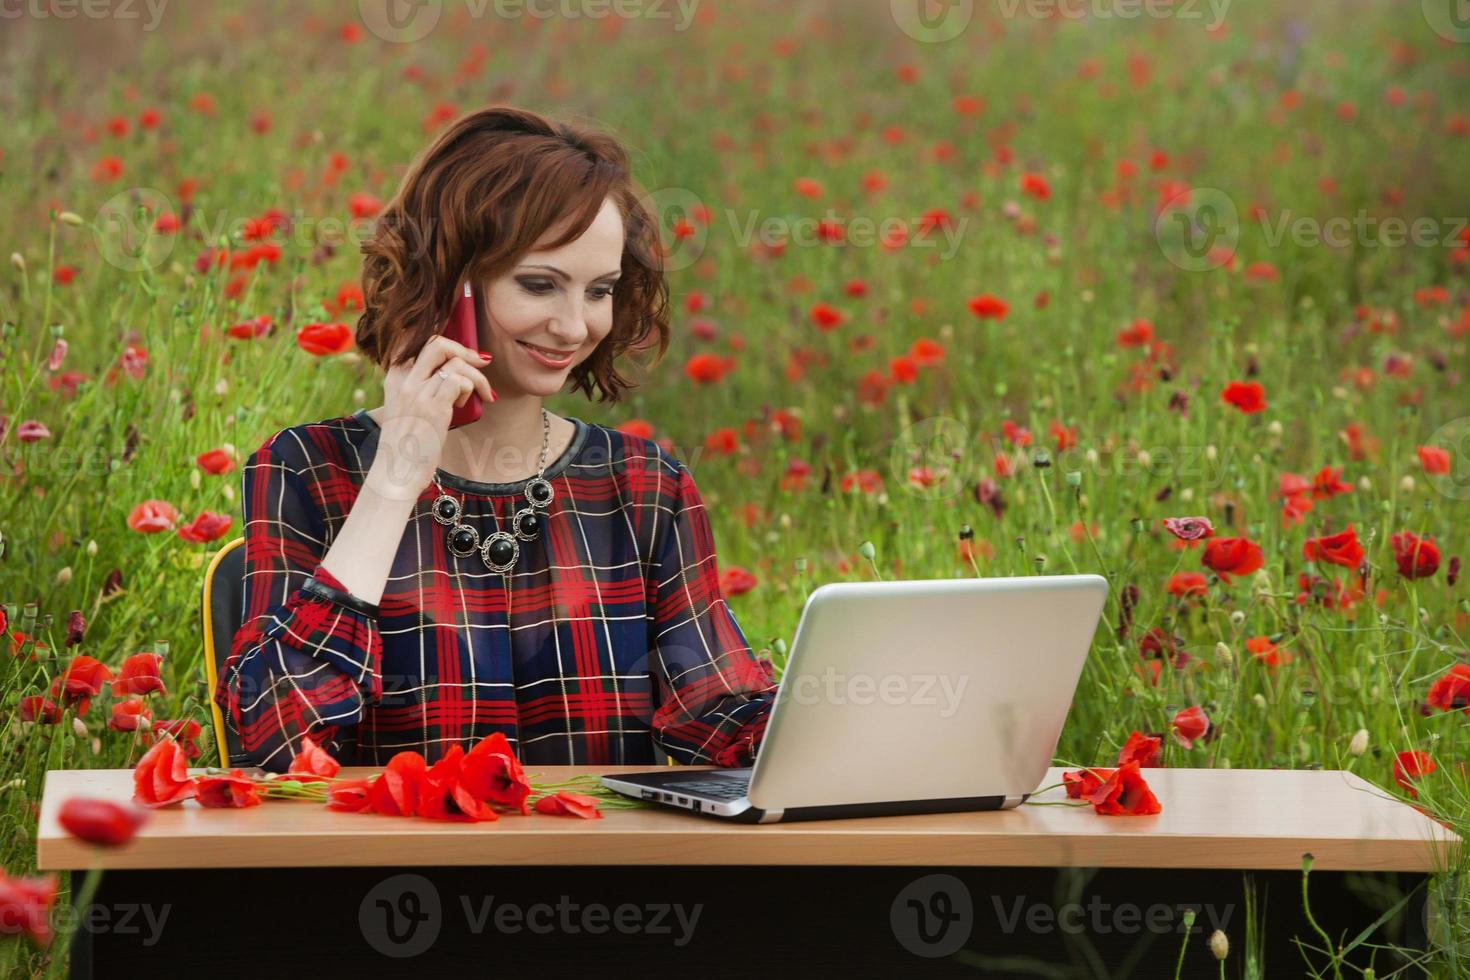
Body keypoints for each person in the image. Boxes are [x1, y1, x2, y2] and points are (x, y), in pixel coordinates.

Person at [213, 105, 777, 773]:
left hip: (600, 875)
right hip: (390, 876)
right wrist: (393, 484)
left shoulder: (645, 487)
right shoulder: (307, 470)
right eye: (540, 285)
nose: (574, 327)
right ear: (451, 281)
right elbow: (276, 740)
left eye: (599, 291)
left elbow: (722, 718)